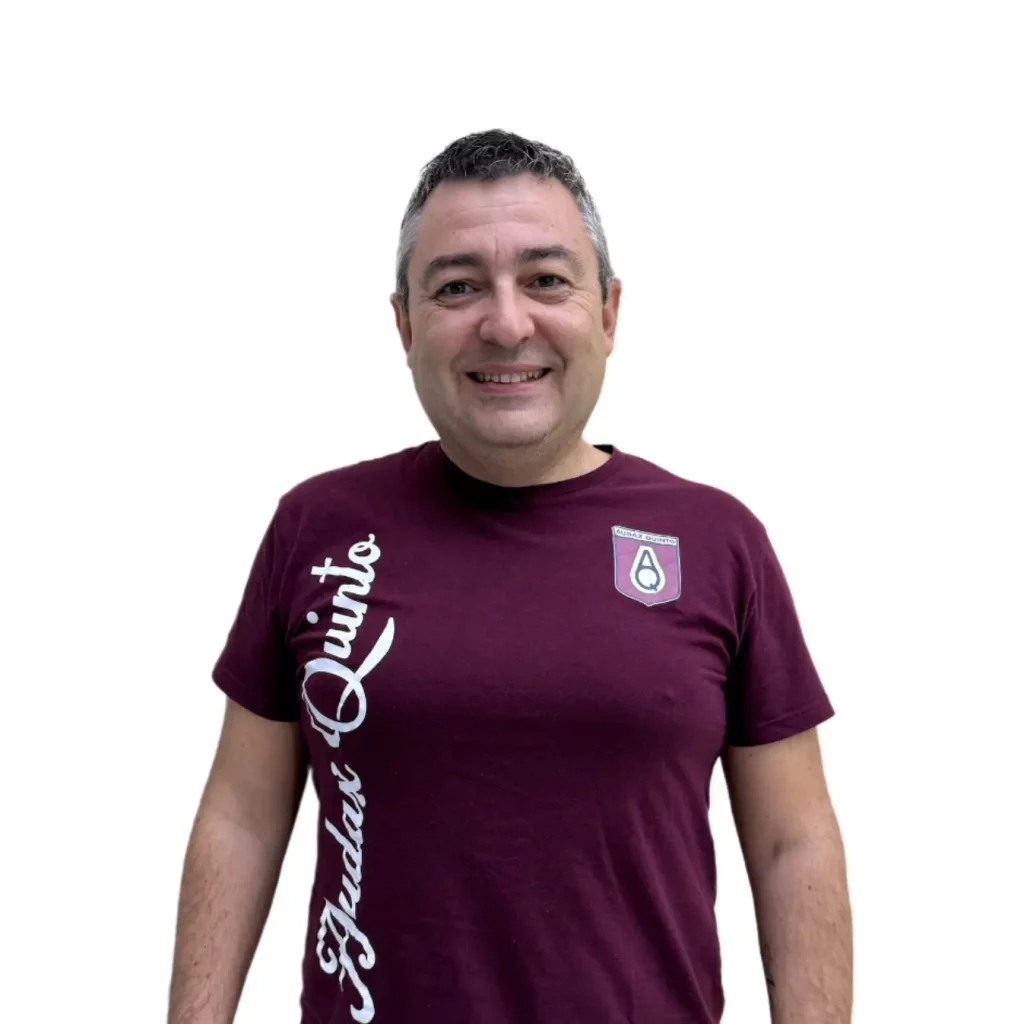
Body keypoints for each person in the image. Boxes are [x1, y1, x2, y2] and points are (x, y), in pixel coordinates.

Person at [168, 129, 853, 1024]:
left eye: (546, 280)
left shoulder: (716, 541)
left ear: (609, 312)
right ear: (405, 325)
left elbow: (793, 840)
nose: (506, 323)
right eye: (457, 287)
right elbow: (242, 816)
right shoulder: (319, 529)